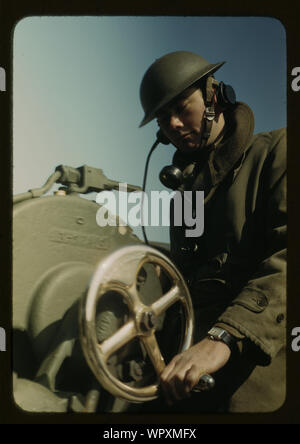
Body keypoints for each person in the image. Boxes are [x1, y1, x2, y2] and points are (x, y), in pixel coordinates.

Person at [138, 51, 286, 413]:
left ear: (213, 96)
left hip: (254, 382)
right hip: (183, 381)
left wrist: (224, 336)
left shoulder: (278, 152)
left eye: (181, 108)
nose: (173, 124)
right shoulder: (184, 199)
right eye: (163, 118)